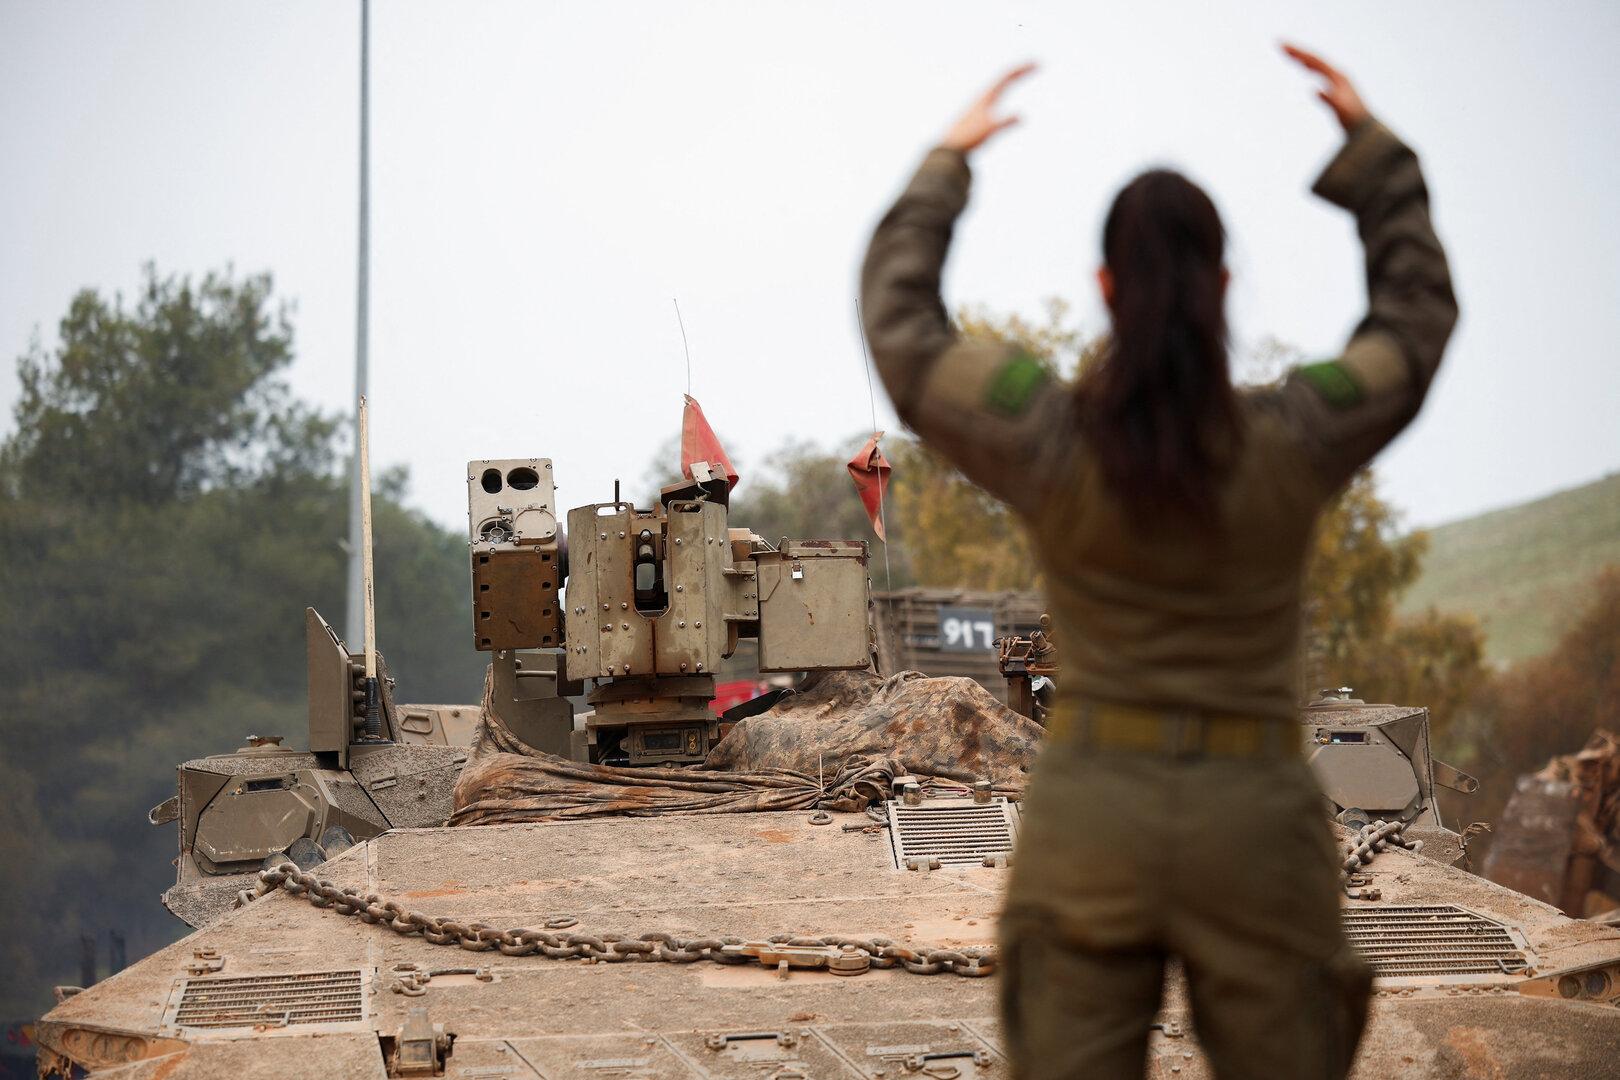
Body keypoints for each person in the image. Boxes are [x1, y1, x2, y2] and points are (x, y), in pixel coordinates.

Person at [859, 44, 1456, 1080]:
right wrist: (1376, 165)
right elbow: (1413, 323)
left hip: (1094, 809)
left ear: (1103, 286)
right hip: (1258, 818)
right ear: (1223, 283)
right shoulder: (1293, 435)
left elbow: (904, 333)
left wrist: (944, 170)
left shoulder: (1049, 438)